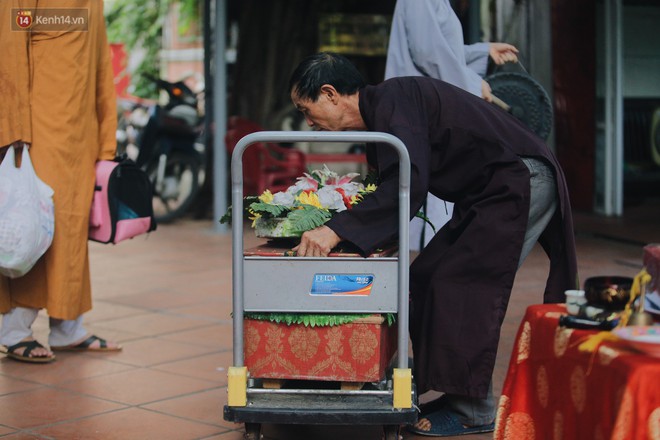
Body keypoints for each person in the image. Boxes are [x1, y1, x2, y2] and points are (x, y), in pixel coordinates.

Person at [288, 52, 577, 436]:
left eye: (306, 110)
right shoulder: (383, 114)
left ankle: (475, 410)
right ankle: (451, 390)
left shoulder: (394, 101)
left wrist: (336, 231)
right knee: (424, 277)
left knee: (462, 285)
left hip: (519, 181)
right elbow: (395, 186)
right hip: (490, 191)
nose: (309, 122)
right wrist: (346, 226)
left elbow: (409, 182)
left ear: (330, 94)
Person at [0, 0, 121, 363]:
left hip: (80, 134)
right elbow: (11, 50)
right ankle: (14, 327)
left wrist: (106, 141)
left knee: (70, 229)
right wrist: (15, 129)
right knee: (35, 227)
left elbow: (101, 64)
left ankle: (67, 326)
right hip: (38, 132)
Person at [385, 0, 520, 253]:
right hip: (418, 110)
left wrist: (483, 51)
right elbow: (428, 53)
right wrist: (471, 81)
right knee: (423, 204)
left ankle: (422, 283)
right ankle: (416, 285)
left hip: (427, 110)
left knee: (430, 204)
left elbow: (444, 51)